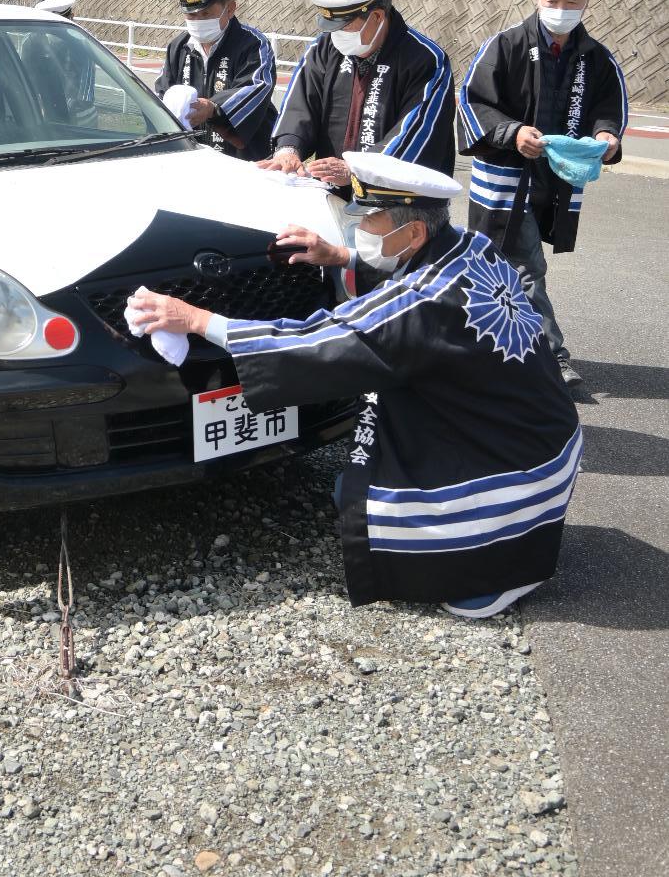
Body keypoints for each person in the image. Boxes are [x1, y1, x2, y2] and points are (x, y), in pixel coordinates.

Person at [128, 151, 579, 620]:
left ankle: (495, 566)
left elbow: (321, 340)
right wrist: (340, 255)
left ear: (414, 231)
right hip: (545, 441)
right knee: (355, 483)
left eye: (371, 219)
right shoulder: (471, 248)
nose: (360, 226)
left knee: (365, 508)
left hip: (512, 479)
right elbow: (399, 275)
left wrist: (200, 319)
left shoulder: (425, 302)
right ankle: (508, 544)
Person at [457, 0, 626, 388]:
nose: (562, 8)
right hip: (506, 177)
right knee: (526, 265)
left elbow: (610, 108)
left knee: (497, 265)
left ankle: (480, 344)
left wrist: (608, 136)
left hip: (555, 177)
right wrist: (512, 132)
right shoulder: (506, 44)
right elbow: (472, 101)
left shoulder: (597, 57)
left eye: (572, 0)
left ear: (587, 0)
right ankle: (552, 355)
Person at [260, 0, 454, 184]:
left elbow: (416, 131)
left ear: (377, 16)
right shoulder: (322, 49)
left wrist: (357, 170)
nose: (336, 35)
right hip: (330, 191)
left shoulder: (425, 59)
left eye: (344, 26)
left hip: (398, 199)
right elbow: (299, 106)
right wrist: (288, 149)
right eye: (331, 27)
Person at [155, 0, 277, 160]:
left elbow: (257, 86)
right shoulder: (178, 47)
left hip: (245, 156)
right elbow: (163, 90)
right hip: (193, 154)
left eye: (206, 14)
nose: (197, 21)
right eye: (191, 15)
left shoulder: (252, 44)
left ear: (230, 9)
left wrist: (214, 108)